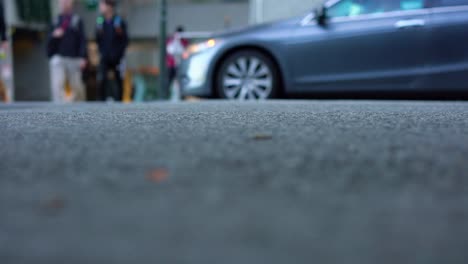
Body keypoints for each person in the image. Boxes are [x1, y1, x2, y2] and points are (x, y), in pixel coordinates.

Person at [47, 0, 87, 103]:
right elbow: (49, 40)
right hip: (58, 57)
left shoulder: (77, 20)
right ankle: (58, 108)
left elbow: (82, 40)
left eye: (67, 1)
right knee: (57, 85)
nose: (64, 3)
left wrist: (83, 57)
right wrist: (54, 36)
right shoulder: (55, 20)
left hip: (74, 58)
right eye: (62, 1)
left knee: (77, 87)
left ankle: (79, 109)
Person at [96, 0, 128, 102]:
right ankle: (102, 100)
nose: (100, 7)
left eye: (102, 4)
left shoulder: (118, 21)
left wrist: (119, 54)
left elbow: (125, 40)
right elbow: (98, 39)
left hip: (117, 57)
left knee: (119, 79)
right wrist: (102, 52)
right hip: (105, 56)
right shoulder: (100, 21)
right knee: (102, 78)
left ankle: (119, 101)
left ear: (109, 6)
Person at [166, 26, 189, 99]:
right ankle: (166, 95)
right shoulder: (171, 40)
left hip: (180, 64)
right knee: (169, 80)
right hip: (171, 64)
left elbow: (184, 51)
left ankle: (182, 96)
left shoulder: (184, 41)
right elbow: (170, 50)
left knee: (181, 80)